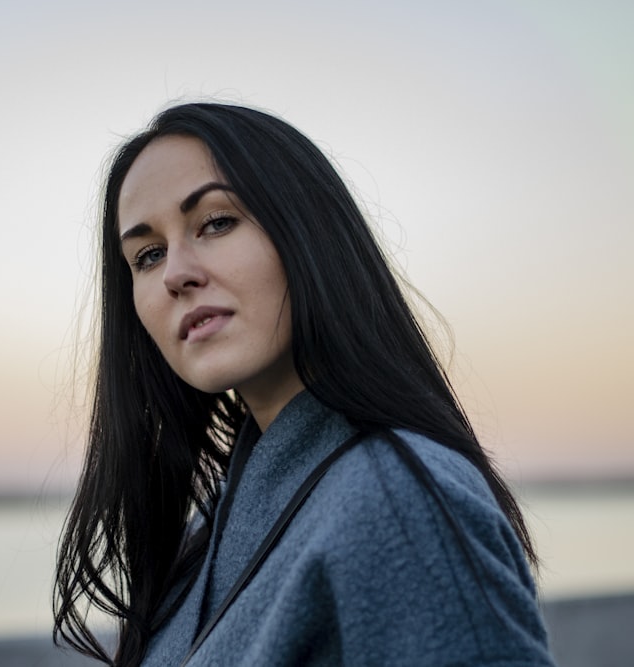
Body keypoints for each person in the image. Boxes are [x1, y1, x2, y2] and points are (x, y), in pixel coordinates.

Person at [54, 102, 554, 666]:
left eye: (216, 222)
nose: (175, 273)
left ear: (307, 233)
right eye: (147, 255)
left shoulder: (398, 498)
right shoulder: (209, 531)